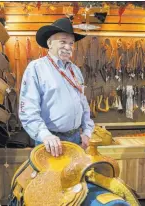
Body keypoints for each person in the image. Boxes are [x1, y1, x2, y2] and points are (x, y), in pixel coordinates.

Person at [18, 18, 94, 157]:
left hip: (77, 140)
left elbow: (83, 104)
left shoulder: (75, 70)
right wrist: (45, 135)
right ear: (49, 43)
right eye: (63, 42)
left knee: (76, 178)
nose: (68, 47)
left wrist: (87, 132)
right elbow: (28, 110)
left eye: (71, 43)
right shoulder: (36, 68)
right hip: (50, 143)